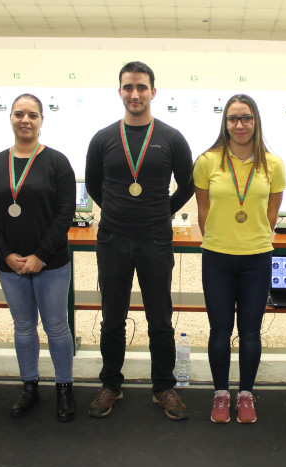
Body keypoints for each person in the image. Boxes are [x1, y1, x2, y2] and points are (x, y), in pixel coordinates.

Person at [84, 61, 195, 420]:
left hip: (155, 240)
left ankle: (164, 387)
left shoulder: (171, 138)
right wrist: (117, 210)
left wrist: (161, 211)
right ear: (120, 91)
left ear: (153, 92)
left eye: (142, 87)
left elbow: (188, 184)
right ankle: (111, 385)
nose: (135, 93)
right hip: (113, 239)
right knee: (112, 318)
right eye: (128, 87)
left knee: (160, 319)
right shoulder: (102, 138)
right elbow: (92, 184)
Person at [0, 94, 77, 422]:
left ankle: (64, 387)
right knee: (23, 327)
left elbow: (65, 214)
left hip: (51, 262)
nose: (25, 120)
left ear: (41, 121)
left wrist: (40, 255)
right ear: (9, 117)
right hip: (10, 264)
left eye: (32, 115)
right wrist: (6, 255)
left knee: (56, 327)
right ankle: (30, 386)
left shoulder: (57, 162)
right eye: (19, 114)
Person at [193, 94, 286, 424]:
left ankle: (245, 394)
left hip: (256, 258)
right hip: (217, 257)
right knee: (219, 330)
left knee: (250, 331)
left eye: (246, 118)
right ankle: (220, 394)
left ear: (256, 121)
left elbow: (271, 214)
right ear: (225, 123)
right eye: (233, 119)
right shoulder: (207, 161)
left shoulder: (273, 164)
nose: (240, 124)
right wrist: (221, 238)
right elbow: (203, 212)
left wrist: (250, 237)